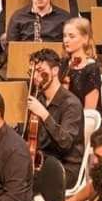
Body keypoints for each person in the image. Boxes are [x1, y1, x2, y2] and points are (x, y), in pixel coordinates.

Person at [27, 49, 85, 188]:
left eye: (40, 71)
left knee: (21, 183)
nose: (35, 77)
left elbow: (65, 143)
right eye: (32, 72)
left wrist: (44, 114)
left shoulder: (71, 104)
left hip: (65, 168)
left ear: (54, 71)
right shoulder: (38, 98)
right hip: (42, 161)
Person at [3, 0, 70, 50]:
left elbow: (69, 47)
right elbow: (10, 49)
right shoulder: (18, 17)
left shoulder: (64, 17)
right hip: (24, 59)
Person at [61, 17, 101, 111]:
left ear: (85, 38)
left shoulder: (91, 69)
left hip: (86, 121)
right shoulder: (63, 64)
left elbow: (89, 111)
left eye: (71, 36)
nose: (66, 40)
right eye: (64, 36)